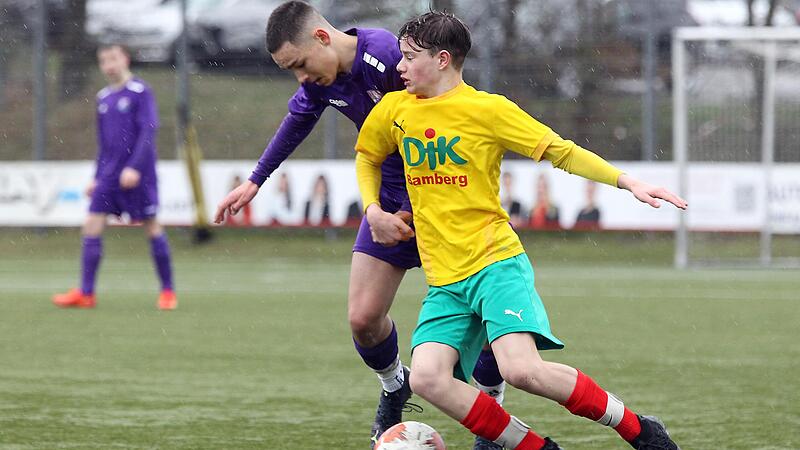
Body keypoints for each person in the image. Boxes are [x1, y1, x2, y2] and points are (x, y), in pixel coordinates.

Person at [355, 11, 687, 450]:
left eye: (409, 57)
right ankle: (536, 448)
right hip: (444, 278)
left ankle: (639, 429)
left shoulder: (487, 110)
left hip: (494, 263)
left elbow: (561, 151)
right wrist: (373, 209)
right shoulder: (394, 109)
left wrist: (628, 181)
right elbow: (367, 155)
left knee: (521, 370)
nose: (399, 67)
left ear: (442, 60)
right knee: (428, 378)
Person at [210, 3, 508, 447]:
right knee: (364, 319)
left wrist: (421, 205)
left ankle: (492, 409)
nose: (301, 78)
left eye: (301, 64)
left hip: (444, 204)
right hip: (386, 206)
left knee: (486, 321)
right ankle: (395, 386)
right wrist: (256, 180)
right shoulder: (322, 79)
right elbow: (298, 119)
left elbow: (445, 125)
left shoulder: (389, 57)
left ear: (323, 38)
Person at [52, 44, 176, 311]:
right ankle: (86, 293)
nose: (109, 65)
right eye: (103, 61)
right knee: (91, 224)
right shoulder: (103, 98)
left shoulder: (140, 92)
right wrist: (96, 177)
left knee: (151, 225)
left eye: (113, 59)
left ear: (125, 60)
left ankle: (167, 291)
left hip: (138, 173)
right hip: (108, 175)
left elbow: (148, 130)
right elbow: (104, 144)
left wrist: (134, 166)